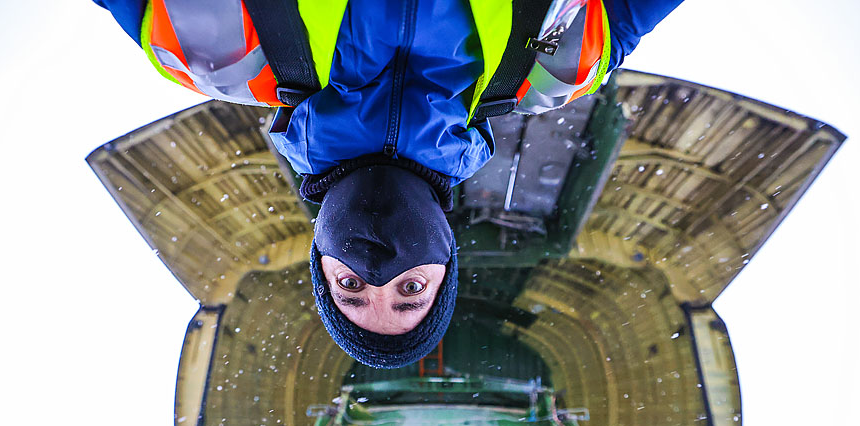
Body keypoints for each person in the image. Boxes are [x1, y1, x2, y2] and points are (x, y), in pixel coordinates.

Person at [96, 0, 684, 368]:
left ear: (320, 258)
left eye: (351, 287)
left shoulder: (220, 53)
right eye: (410, 293)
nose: (379, 269)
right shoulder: (548, 66)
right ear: (447, 257)